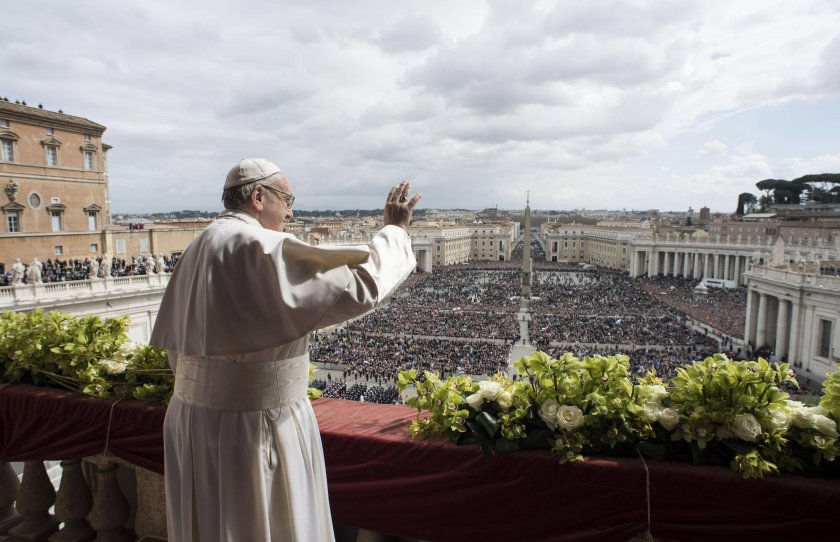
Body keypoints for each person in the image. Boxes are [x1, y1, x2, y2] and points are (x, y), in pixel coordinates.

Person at [150, 158, 421, 541]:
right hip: (256, 425)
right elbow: (360, 287)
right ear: (259, 196)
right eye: (287, 198)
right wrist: (393, 230)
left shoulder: (199, 246)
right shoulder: (256, 245)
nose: (291, 212)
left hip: (192, 419)